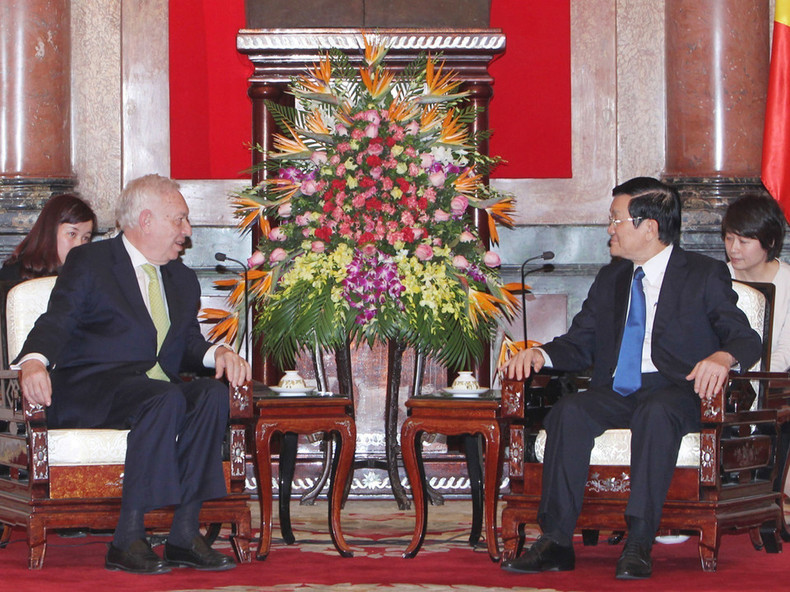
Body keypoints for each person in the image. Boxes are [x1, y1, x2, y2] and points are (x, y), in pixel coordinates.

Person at [500, 177, 761, 580]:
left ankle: (639, 541)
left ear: (649, 227)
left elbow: (744, 337)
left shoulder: (703, 274)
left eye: (616, 219)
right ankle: (555, 541)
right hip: (619, 389)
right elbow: (580, 342)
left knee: (655, 413)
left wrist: (721, 358)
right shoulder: (613, 279)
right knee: (570, 412)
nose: (610, 229)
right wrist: (541, 353)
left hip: (678, 391)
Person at [15, 174, 251, 575]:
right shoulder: (91, 261)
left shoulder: (181, 278)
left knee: (211, 396)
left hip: (154, 392)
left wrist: (219, 353)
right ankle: (127, 539)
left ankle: (184, 534)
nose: (188, 231)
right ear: (147, 220)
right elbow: (57, 320)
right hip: (95, 389)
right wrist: (34, 360)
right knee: (166, 397)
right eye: (180, 220)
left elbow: (188, 344)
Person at [721, 192, 790, 371]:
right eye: (729, 238)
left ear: (770, 242)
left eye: (743, 242)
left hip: (771, 383)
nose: (733, 249)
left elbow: (785, 353)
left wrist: (746, 377)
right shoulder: (716, 277)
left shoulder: (787, 281)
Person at [0, 193, 96, 282]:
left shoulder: (88, 277)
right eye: (72, 234)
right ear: (50, 231)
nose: (79, 245)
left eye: (86, 238)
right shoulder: (13, 276)